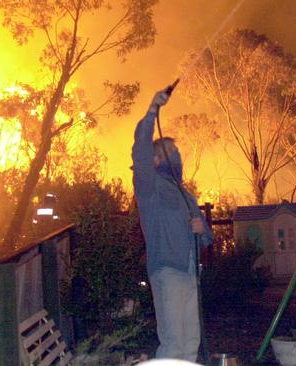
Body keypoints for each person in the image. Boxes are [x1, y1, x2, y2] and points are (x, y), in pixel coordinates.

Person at [132, 88, 213, 362]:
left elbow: (206, 236)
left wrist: (202, 232)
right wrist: (153, 108)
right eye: (171, 152)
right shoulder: (149, 186)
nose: (177, 157)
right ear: (156, 161)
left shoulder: (185, 193)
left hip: (190, 274)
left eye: (177, 152)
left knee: (191, 343)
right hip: (167, 270)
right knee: (173, 344)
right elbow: (140, 150)